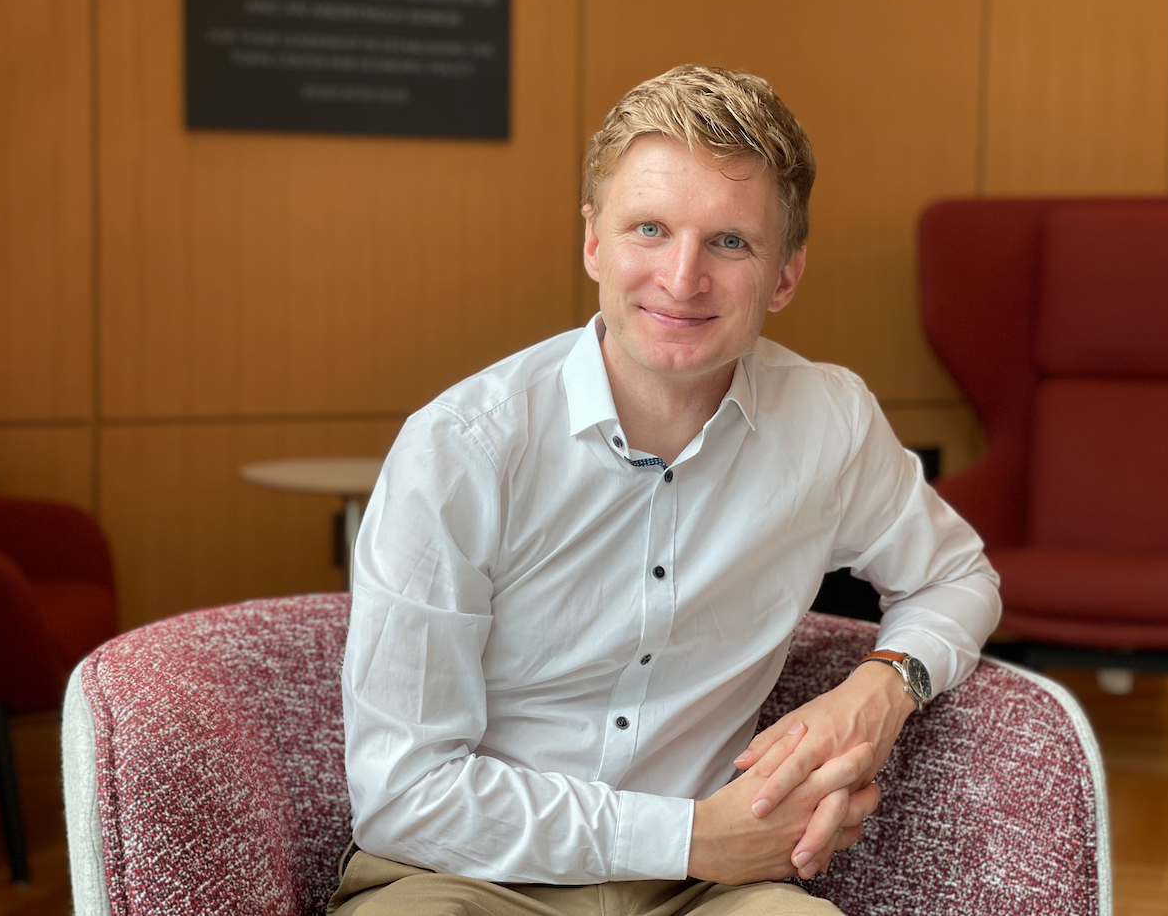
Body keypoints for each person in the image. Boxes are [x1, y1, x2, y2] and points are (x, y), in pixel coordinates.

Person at [332, 64, 1001, 915]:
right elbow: (404, 792)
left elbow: (959, 576)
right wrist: (690, 833)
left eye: (730, 242)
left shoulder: (828, 421)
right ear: (592, 243)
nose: (682, 279)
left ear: (786, 274)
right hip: (464, 875)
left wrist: (884, 686)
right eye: (649, 228)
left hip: (705, 893)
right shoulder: (461, 447)